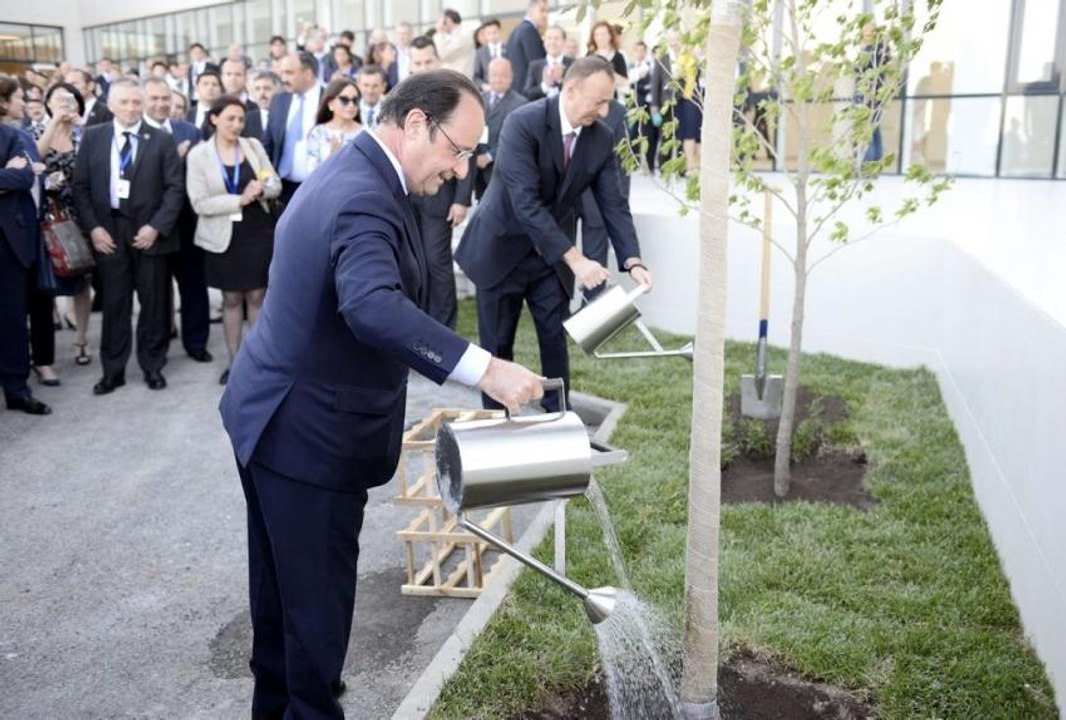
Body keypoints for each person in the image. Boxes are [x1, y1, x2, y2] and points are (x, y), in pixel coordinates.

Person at [219, 68, 544, 719]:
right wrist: (488, 370)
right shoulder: (365, 193)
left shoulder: (361, 171)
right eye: (456, 150)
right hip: (305, 436)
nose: (458, 170)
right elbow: (371, 306)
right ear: (417, 122)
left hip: (273, 418)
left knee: (283, 612)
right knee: (312, 629)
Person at [455, 57, 654, 412]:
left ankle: (559, 417)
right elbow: (524, 203)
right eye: (599, 101)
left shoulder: (601, 137)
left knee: (553, 338)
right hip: (502, 249)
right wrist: (576, 259)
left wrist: (632, 260)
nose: (606, 110)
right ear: (572, 90)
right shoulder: (524, 122)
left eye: (609, 101)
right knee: (498, 346)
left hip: (551, 258)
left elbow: (614, 203)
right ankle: (499, 425)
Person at [71, 79, 185, 395]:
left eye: (137, 102)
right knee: (115, 303)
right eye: (125, 102)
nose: (132, 108)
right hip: (109, 231)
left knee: (154, 304)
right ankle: (113, 370)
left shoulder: (161, 140)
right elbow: (80, 187)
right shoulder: (93, 137)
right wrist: (93, 228)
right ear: (111, 105)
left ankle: (152, 365)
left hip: (150, 233)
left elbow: (175, 189)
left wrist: (157, 227)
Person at [186, 96, 280, 385]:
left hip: (257, 232)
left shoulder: (252, 147)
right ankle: (236, 363)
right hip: (222, 237)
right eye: (231, 118)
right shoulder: (199, 155)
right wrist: (239, 199)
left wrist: (260, 191)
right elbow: (200, 203)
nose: (237, 124)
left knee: (257, 296)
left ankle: (260, 362)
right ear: (214, 118)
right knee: (230, 299)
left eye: (241, 119)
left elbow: (274, 184)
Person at [141, 77, 213, 365]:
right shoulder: (139, 133)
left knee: (194, 286)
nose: (161, 104)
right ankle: (157, 351)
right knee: (156, 292)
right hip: (152, 224)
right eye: (154, 98)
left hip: (187, 222)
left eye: (165, 99)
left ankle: (196, 343)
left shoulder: (190, 131)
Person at [407, 38, 473, 329]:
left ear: (437, 60)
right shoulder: (403, 97)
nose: (423, 67)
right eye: (417, 62)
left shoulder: (454, 95)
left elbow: (468, 150)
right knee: (415, 263)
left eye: (427, 61)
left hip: (442, 196)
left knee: (437, 263)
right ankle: (420, 324)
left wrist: (462, 198)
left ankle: (444, 328)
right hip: (409, 197)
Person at [0, 76, 52, 415]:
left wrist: (12, 175)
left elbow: (24, 177)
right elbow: (13, 176)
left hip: (10, 244)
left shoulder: (11, 136)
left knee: (12, 319)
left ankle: (17, 388)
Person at [34, 83, 94, 372]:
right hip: (47, 216)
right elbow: (35, 158)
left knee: (82, 282)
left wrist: (84, 130)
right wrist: (55, 123)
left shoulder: (85, 134)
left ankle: (81, 340)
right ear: (47, 105)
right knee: (45, 283)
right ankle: (43, 353)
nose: (65, 106)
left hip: (79, 215)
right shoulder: (36, 131)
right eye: (58, 101)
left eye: (69, 101)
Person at [263, 52, 322, 203]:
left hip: (319, 187)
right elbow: (267, 146)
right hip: (283, 189)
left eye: (289, 73)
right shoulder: (279, 100)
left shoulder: (329, 98)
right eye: (282, 73)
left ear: (308, 73)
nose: (283, 79)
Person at [474, 57, 527, 200]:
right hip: (476, 167)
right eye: (494, 75)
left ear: (511, 77)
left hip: (500, 169)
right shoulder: (478, 99)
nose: (498, 79)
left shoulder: (520, 104)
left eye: (503, 75)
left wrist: (489, 156)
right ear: (488, 76)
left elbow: (516, 140)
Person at [306, 78, 362, 174]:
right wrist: (332, 157)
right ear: (331, 103)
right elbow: (312, 174)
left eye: (355, 100)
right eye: (344, 100)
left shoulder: (366, 133)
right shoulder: (318, 133)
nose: (351, 105)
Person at [856, 22, 891, 164]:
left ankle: (869, 163)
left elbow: (868, 68)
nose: (865, 36)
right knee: (873, 128)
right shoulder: (871, 49)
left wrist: (864, 50)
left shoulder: (878, 49)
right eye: (864, 33)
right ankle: (874, 162)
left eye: (868, 33)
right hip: (866, 93)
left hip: (872, 95)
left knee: (869, 128)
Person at [507, 0, 549, 95]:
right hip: (526, 93)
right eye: (542, 10)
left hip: (517, 91)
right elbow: (537, 64)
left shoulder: (518, 30)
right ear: (531, 10)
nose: (545, 15)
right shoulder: (529, 31)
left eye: (547, 11)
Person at [523, 26, 572, 101]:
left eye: (556, 38)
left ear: (564, 42)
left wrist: (559, 81)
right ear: (544, 42)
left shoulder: (573, 64)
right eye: (549, 38)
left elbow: (578, 91)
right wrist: (545, 86)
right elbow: (527, 94)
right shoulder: (535, 66)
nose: (552, 42)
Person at [588, 21, 629, 95]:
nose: (600, 38)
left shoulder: (618, 57)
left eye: (603, 34)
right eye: (597, 35)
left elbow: (624, 82)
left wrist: (610, 75)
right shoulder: (589, 56)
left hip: (611, 97)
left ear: (610, 36)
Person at [434, 9, 475, 78]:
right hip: (454, 79)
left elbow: (443, 54)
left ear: (447, 20)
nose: (437, 23)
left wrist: (439, 32)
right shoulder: (454, 36)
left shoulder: (464, 35)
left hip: (459, 80)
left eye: (439, 20)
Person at [472, 18, 506, 92]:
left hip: (508, 92)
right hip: (488, 93)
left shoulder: (509, 48)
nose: (492, 36)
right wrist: (484, 86)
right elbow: (476, 77)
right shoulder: (480, 53)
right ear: (485, 35)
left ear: (500, 31)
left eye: (495, 32)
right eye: (489, 33)